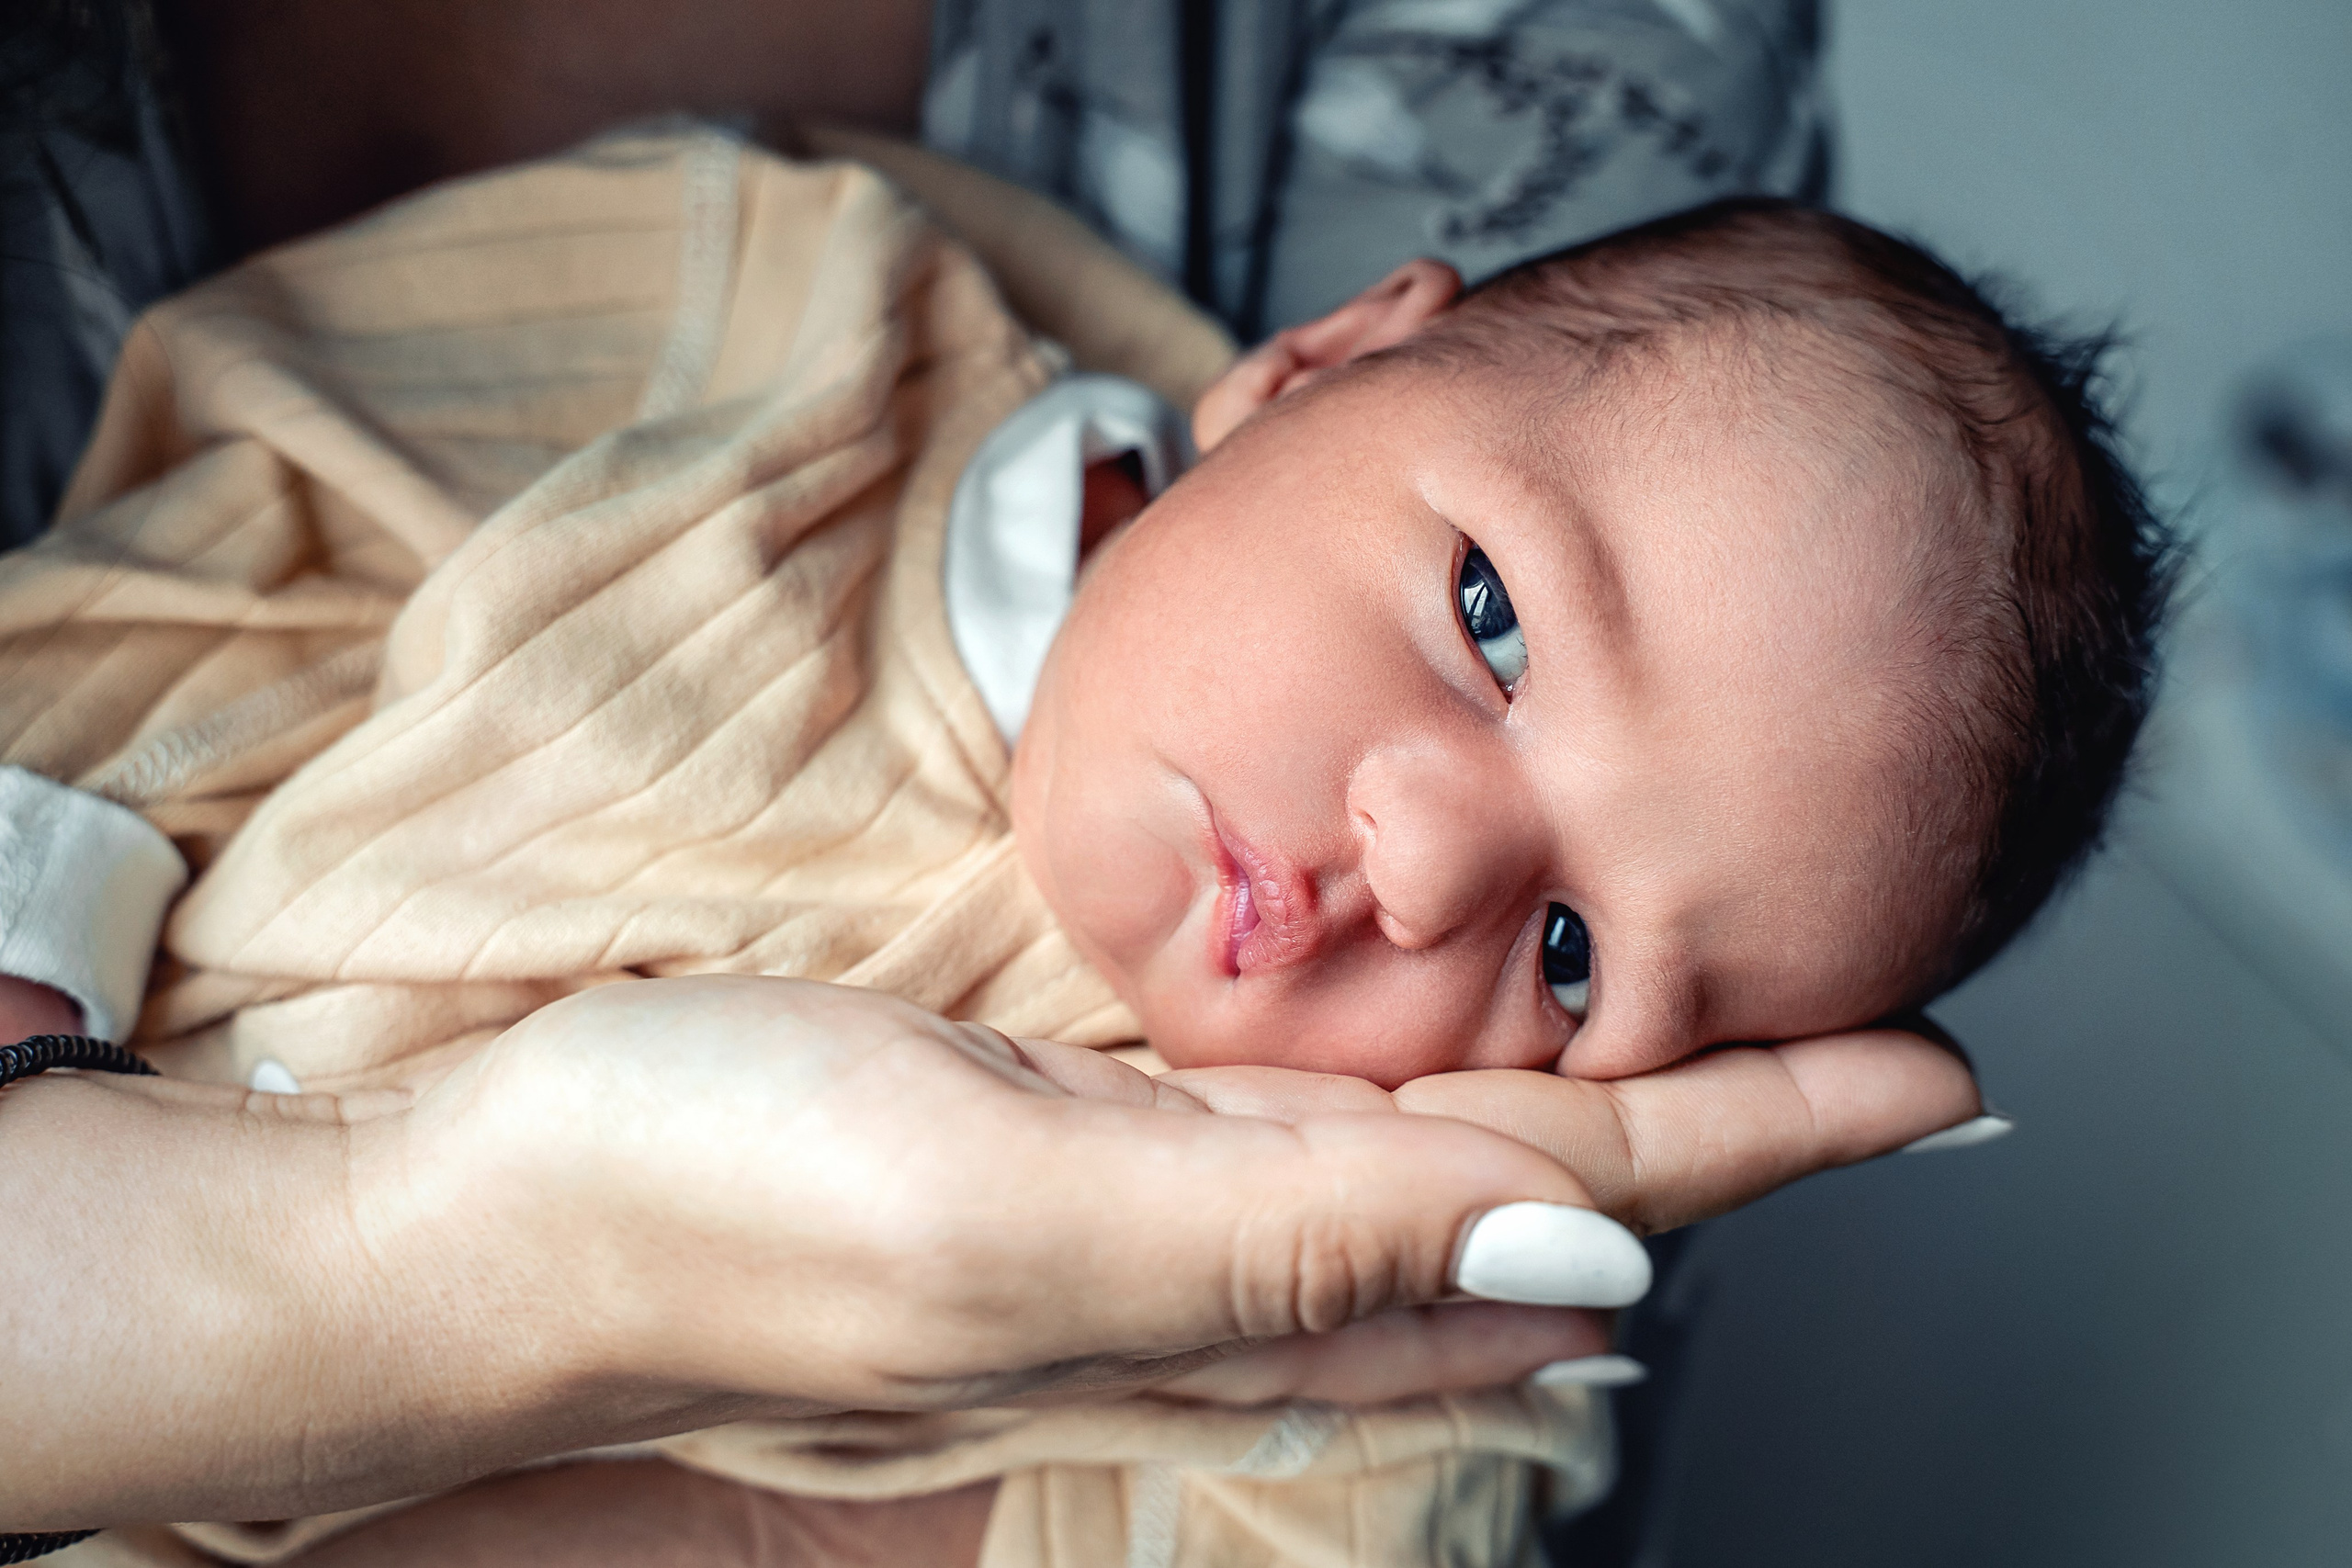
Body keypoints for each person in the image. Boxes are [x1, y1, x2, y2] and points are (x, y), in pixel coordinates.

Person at [0, 125, 2155, 1564]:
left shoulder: (1341, 1341)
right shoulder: (789, 351)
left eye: (1578, 955)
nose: (1416, 867)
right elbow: (220, 545)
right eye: (1489, 615)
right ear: (1316, 369)